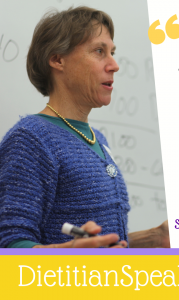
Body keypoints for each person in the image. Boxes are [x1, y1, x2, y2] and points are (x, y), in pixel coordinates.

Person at [0, 6, 169, 248]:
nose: (114, 65)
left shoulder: (96, 138)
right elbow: (10, 247)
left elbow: (98, 247)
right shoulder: (30, 139)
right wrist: (67, 253)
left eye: (112, 52)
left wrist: (154, 238)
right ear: (58, 59)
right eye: (99, 51)